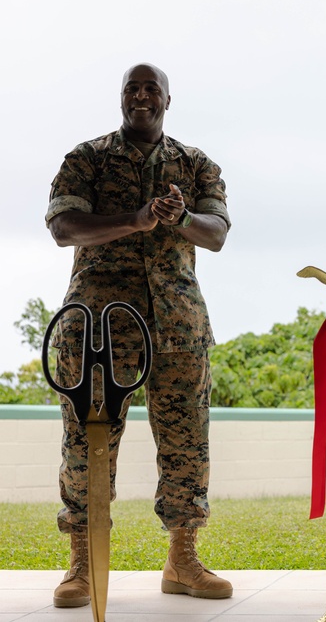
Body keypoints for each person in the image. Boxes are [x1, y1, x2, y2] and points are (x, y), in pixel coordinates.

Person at [45, 63, 233, 607]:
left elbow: (217, 233)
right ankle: (82, 561)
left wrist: (176, 220)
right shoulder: (87, 158)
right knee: (87, 443)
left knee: (186, 445)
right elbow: (63, 227)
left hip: (177, 326)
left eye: (153, 89)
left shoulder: (196, 165)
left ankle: (182, 559)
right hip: (100, 326)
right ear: (121, 99)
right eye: (133, 88)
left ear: (169, 101)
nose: (142, 96)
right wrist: (137, 217)